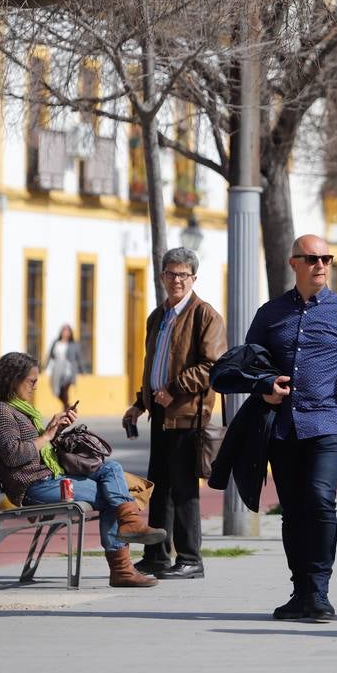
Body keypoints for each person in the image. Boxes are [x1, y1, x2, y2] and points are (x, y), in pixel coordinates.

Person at [245, 234, 337, 622]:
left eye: (326, 258)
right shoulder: (269, 314)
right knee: (293, 510)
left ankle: (320, 589)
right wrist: (265, 388)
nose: (321, 265)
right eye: (312, 259)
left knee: (320, 498)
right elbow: (247, 364)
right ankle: (301, 590)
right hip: (283, 427)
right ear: (294, 263)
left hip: (329, 423)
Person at [0, 351, 165, 587]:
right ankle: (123, 565)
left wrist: (55, 429)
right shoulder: (0, 411)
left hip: (50, 478)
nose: (35, 387)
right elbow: (14, 455)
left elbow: (38, 448)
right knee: (116, 498)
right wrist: (47, 435)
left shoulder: (21, 410)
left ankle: (129, 532)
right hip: (34, 486)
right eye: (32, 381)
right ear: (13, 379)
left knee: (112, 470)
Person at [121, 246, 226, 581]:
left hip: (187, 416)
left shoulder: (205, 315)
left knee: (183, 489)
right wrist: (141, 403)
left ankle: (191, 557)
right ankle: (156, 556)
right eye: (171, 274)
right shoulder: (158, 316)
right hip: (161, 416)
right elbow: (154, 366)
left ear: (193, 278)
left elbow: (212, 367)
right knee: (160, 488)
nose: (177, 280)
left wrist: (175, 388)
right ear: (163, 277)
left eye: (183, 275)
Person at [46, 323, 83, 412]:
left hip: (68, 370)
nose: (65, 333)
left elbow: (78, 358)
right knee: (57, 391)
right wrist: (44, 366)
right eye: (64, 331)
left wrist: (82, 370)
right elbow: (50, 356)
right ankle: (67, 406)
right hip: (57, 368)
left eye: (67, 331)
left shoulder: (73, 344)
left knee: (65, 389)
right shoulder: (56, 343)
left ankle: (66, 410)